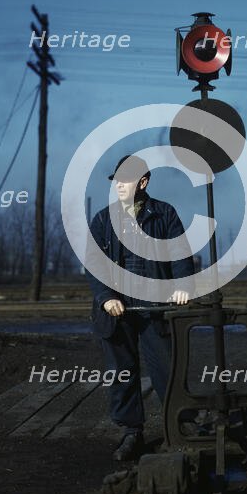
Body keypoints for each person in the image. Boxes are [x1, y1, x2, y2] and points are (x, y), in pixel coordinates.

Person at [85, 154, 195, 461]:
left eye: (125, 180)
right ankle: (131, 433)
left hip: (154, 308)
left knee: (167, 369)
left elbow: (180, 254)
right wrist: (106, 297)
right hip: (116, 311)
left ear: (143, 182)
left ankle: (182, 425)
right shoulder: (103, 220)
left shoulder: (164, 214)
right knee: (122, 373)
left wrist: (183, 285)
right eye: (116, 181)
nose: (119, 186)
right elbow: (94, 264)